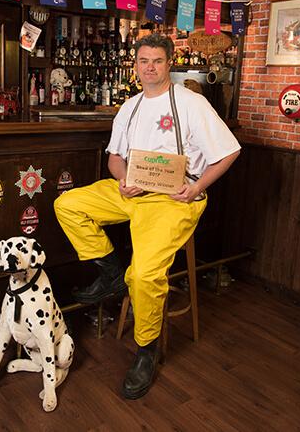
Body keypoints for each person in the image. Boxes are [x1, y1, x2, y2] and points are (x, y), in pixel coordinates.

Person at [53, 34, 240, 399]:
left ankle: (146, 349)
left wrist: (197, 186)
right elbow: (114, 159)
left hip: (174, 199)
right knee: (69, 205)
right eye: (143, 61)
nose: (149, 67)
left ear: (169, 63)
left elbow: (229, 152)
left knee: (145, 273)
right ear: (136, 64)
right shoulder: (130, 106)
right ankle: (110, 274)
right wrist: (123, 181)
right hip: (133, 192)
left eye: (156, 60)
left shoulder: (191, 103)